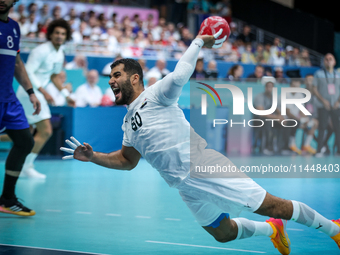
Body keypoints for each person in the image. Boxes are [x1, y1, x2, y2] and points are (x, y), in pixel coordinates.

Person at [61, 29, 340, 254]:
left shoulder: (156, 93)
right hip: (184, 185)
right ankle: (273, 229)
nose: (111, 81)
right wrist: (94, 156)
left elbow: (182, 73)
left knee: (272, 204)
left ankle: (334, 229)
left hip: (203, 165)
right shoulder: (127, 121)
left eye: (116, 75)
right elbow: (126, 161)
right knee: (223, 233)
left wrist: (199, 40)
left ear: (134, 78)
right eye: (110, 76)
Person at [15, 19, 75, 178]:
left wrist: (66, 95)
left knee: (24, 133)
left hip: (37, 93)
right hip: (30, 93)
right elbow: (27, 72)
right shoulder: (40, 51)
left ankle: (22, 165)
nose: (60, 36)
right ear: (50, 34)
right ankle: (26, 166)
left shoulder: (59, 52)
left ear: (66, 36)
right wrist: (43, 92)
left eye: (63, 34)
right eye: (57, 33)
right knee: (46, 130)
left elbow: (55, 76)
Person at [0, 0, 41, 216]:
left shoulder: (14, 27)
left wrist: (31, 92)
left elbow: (17, 63)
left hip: (8, 99)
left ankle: (7, 198)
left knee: (25, 141)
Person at [313, 53, 340, 156]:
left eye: (330, 59)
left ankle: (338, 150)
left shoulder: (338, 75)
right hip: (323, 105)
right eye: (326, 59)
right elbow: (314, 89)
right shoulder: (318, 74)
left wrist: (338, 102)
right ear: (324, 61)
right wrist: (323, 101)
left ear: (334, 62)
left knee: (338, 128)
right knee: (322, 127)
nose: (328, 61)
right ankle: (319, 150)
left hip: (336, 106)